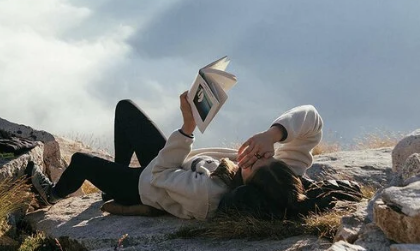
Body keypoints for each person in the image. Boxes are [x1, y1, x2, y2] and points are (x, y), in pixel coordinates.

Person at [26, 93, 323, 220]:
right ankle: (110, 185)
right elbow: (311, 118)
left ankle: (52, 196)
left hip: (147, 185)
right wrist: (273, 135)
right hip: (174, 162)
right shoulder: (282, 177)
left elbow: (159, 174)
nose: (253, 157)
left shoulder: (208, 194)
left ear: (247, 190)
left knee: (81, 162)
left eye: (253, 165)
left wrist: (187, 128)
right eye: (266, 157)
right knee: (125, 109)